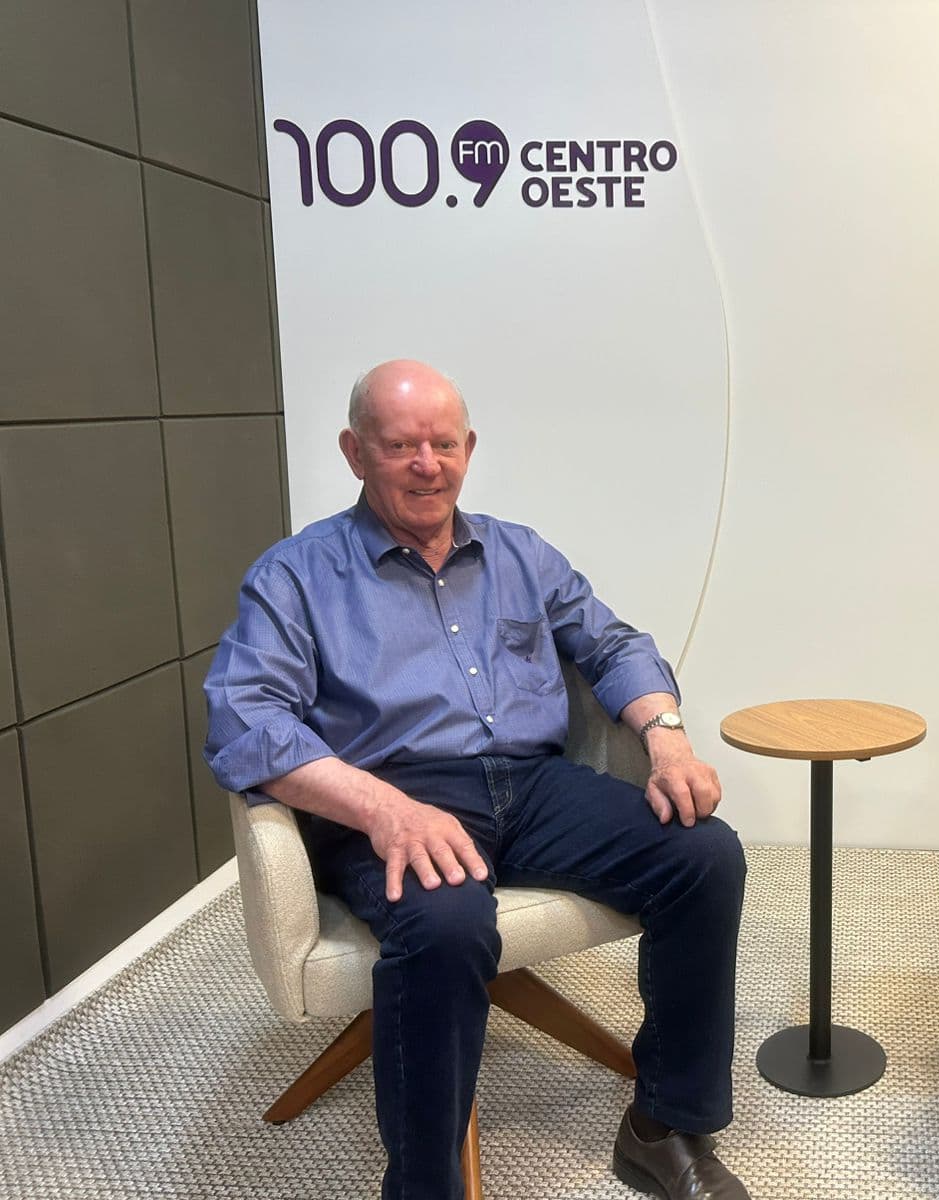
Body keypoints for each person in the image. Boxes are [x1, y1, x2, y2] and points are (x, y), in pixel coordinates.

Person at [204, 359, 749, 1200]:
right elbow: (245, 720)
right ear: (354, 452)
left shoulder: (520, 552)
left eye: (444, 443)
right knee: (448, 921)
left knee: (704, 856)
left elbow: (613, 645)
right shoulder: (296, 575)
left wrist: (668, 741)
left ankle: (664, 1126)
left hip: (530, 785)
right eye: (401, 445)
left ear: (469, 447)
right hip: (389, 795)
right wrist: (384, 808)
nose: (428, 464)